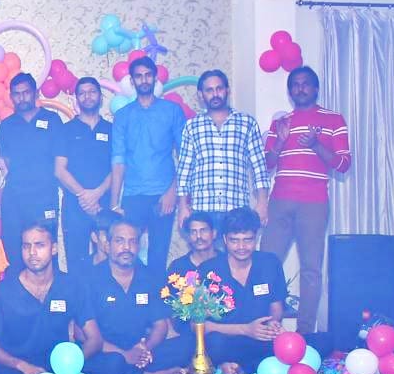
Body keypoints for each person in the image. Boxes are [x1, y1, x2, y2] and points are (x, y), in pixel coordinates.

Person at [260, 66, 352, 334]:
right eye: (295, 85)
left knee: (311, 269)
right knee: (265, 264)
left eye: (305, 84)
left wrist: (315, 144)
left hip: (314, 203)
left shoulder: (333, 119)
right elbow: (266, 164)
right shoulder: (281, 122)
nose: (300, 88)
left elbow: (343, 164)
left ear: (316, 88)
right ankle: (264, 328)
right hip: (280, 201)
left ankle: (305, 333)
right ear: (290, 91)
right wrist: (280, 141)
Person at [0, 221, 103, 374]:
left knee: (110, 365)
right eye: (26, 246)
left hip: (60, 367)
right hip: (19, 370)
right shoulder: (5, 290)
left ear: (54, 249)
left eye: (39, 245)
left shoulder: (71, 286)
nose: (32, 252)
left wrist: (70, 366)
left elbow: (95, 339)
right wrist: (22, 366)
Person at [81, 219, 191, 374]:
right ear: (107, 245)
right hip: (105, 351)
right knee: (111, 364)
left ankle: (132, 373)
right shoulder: (90, 279)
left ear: (139, 246)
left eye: (132, 241)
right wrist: (124, 354)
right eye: (120, 241)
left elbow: (161, 325)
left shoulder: (149, 278)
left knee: (187, 345)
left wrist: (144, 349)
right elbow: (80, 333)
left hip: (140, 349)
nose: (126, 247)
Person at [109, 56, 187, 265]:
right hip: (132, 195)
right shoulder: (122, 116)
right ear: (132, 81)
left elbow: (186, 156)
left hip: (163, 195)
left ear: (155, 78)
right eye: (139, 76)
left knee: (158, 257)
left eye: (148, 75)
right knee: (126, 256)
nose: (143, 80)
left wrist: (172, 192)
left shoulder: (172, 111)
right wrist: (114, 204)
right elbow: (118, 161)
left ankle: (155, 289)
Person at [174, 70, 269, 228]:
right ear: (201, 95)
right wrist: (183, 207)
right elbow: (185, 171)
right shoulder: (192, 126)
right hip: (202, 210)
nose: (215, 94)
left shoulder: (247, 123)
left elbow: (259, 167)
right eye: (209, 90)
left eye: (219, 88)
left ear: (227, 90)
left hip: (236, 209)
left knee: (239, 245)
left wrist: (262, 203)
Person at [199, 207, 286, 374]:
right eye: (234, 240)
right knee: (213, 343)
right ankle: (239, 365)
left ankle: (238, 367)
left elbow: (276, 307)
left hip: (260, 339)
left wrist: (273, 324)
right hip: (226, 341)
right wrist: (245, 329)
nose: (241, 247)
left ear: (256, 237)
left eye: (248, 240)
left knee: (321, 341)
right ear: (225, 239)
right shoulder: (208, 270)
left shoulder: (270, 263)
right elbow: (200, 326)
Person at [0, 73, 62, 264]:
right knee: (14, 252)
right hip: (15, 199)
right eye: (17, 94)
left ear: (35, 93)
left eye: (26, 92)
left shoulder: (52, 120)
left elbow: (60, 159)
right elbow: (5, 160)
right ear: (11, 97)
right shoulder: (7, 125)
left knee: (46, 251)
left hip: (44, 197)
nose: (22, 97)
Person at [55, 77, 113, 275]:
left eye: (92, 92)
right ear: (77, 98)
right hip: (75, 207)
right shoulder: (65, 130)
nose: (87, 96)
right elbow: (59, 170)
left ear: (101, 97)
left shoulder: (112, 130)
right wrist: (84, 196)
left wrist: (97, 193)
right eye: (82, 93)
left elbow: (118, 169)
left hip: (104, 206)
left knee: (106, 262)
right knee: (76, 264)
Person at [166, 211, 219, 281]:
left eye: (203, 230)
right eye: (193, 232)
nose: (198, 236)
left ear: (214, 233)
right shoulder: (177, 267)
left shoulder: (226, 264)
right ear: (188, 237)